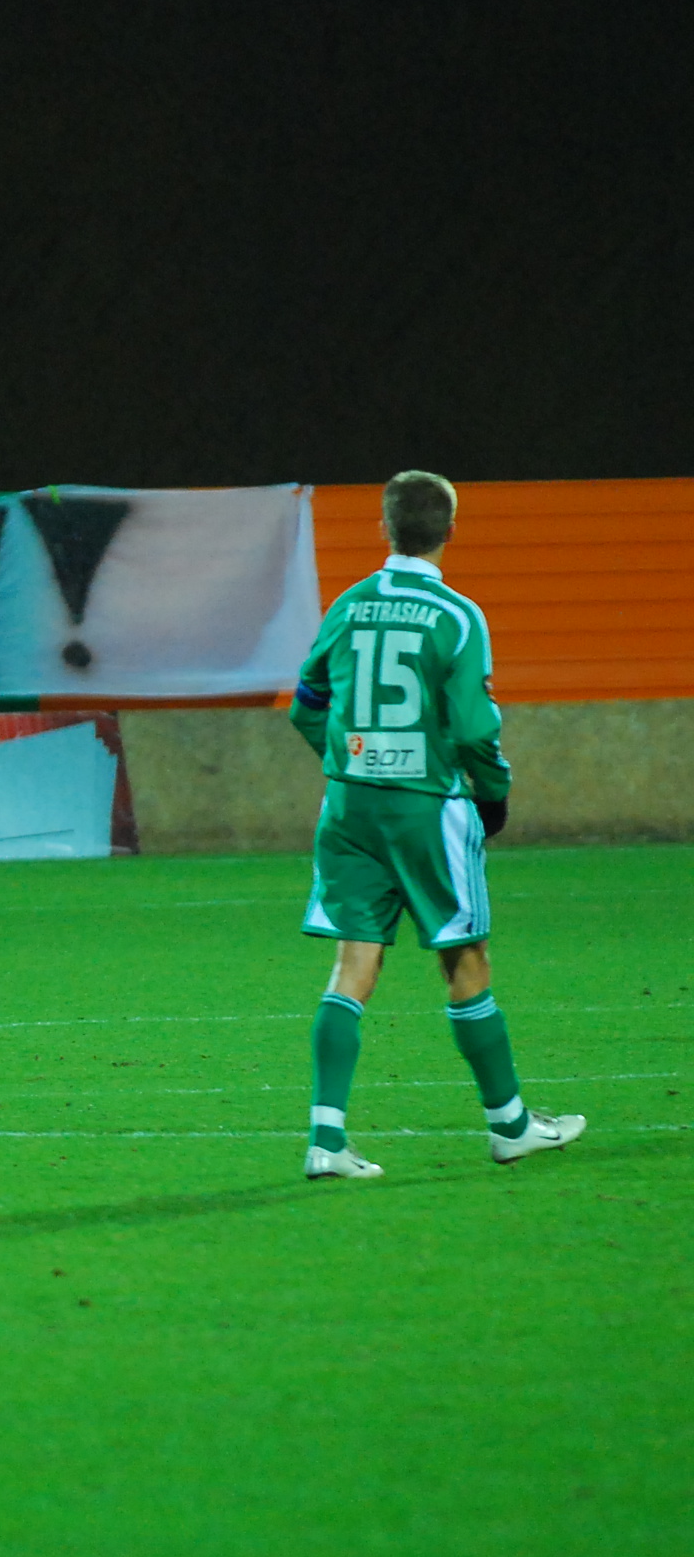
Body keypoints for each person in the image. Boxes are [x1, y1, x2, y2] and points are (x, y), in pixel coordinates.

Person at [288, 470, 581, 1179]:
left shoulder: (349, 605)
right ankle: (510, 1126)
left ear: (385, 528)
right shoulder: (456, 616)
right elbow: (476, 727)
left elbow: (307, 702)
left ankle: (326, 1140)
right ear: (450, 531)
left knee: (354, 963)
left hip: (350, 806)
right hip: (426, 806)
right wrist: (494, 793)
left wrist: (349, 758)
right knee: (464, 959)